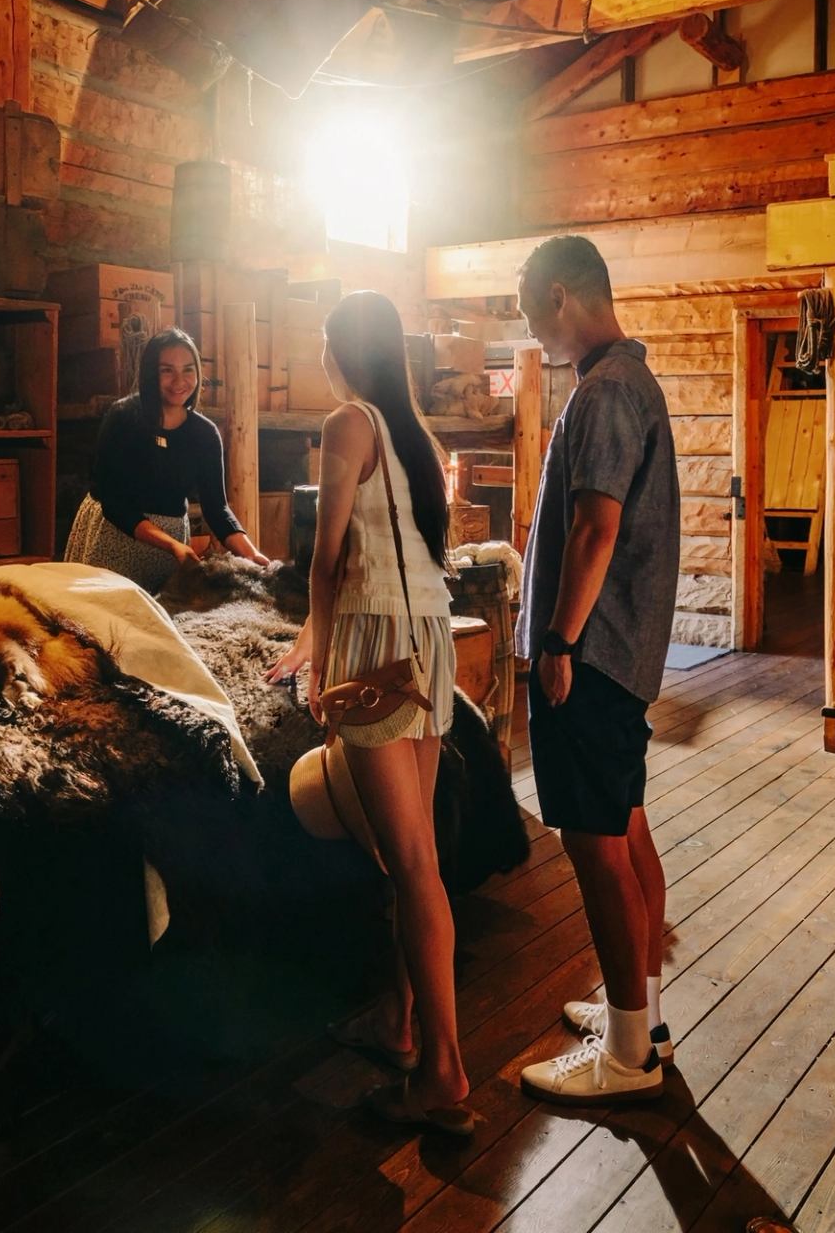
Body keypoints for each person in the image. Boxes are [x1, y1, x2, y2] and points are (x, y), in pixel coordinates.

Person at [265, 290, 473, 1135]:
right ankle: (398, 1021)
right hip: (426, 640)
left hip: (376, 643)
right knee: (406, 851)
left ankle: (446, 1077)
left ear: (340, 351)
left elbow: (328, 556)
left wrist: (317, 651)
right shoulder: (412, 430)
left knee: (412, 861)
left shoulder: (348, 422)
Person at [513, 234, 681, 1105]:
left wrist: (558, 642)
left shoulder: (608, 391)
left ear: (563, 296)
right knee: (627, 828)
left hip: (594, 653)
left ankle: (627, 1059)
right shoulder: (625, 381)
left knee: (594, 842)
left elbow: (595, 528)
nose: (533, 331)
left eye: (532, 311)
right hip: (618, 649)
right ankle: (639, 1020)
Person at [64, 328, 269, 591]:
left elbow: (216, 508)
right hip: (116, 532)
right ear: (151, 373)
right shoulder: (123, 418)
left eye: (188, 369)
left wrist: (252, 555)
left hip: (172, 544)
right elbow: (112, 501)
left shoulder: (204, 434)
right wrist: (171, 544)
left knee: (161, 616)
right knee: (109, 617)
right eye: (166, 370)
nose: (179, 381)